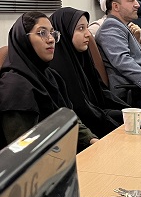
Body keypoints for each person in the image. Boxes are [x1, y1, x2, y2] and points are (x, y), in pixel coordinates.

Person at [0, 11, 98, 152]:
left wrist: (92, 140)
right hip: (36, 161)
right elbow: (24, 151)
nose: (51, 39)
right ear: (24, 39)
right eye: (42, 33)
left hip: (59, 152)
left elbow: (68, 118)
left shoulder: (50, 76)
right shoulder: (14, 88)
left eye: (52, 33)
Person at [50, 7, 129, 137]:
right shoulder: (57, 68)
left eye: (87, 27)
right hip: (83, 131)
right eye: (81, 28)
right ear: (65, 32)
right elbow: (81, 110)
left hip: (98, 115)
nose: (88, 34)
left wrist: (129, 111)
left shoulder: (82, 57)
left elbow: (102, 92)